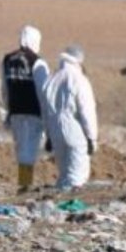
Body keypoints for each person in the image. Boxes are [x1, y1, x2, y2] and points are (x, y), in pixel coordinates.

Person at [0, 25, 49, 192]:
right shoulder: (37, 61)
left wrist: (8, 110)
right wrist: (47, 114)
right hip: (33, 112)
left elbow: (5, 88)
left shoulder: (7, 60)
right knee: (30, 150)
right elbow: (44, 91)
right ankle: (25, 184)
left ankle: (24, 182)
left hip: (15, 111)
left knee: (21, 148)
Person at [43, 44, 98, 190]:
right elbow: (87, 111)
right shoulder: (79, 80)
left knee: (64, 171)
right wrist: (91, 137)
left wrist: (48, 135)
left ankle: (59, 200)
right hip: (74, 128)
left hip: (54, 129)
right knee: (77, 174)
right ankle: (71, 204)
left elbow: (45, 110)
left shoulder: (51, 80)